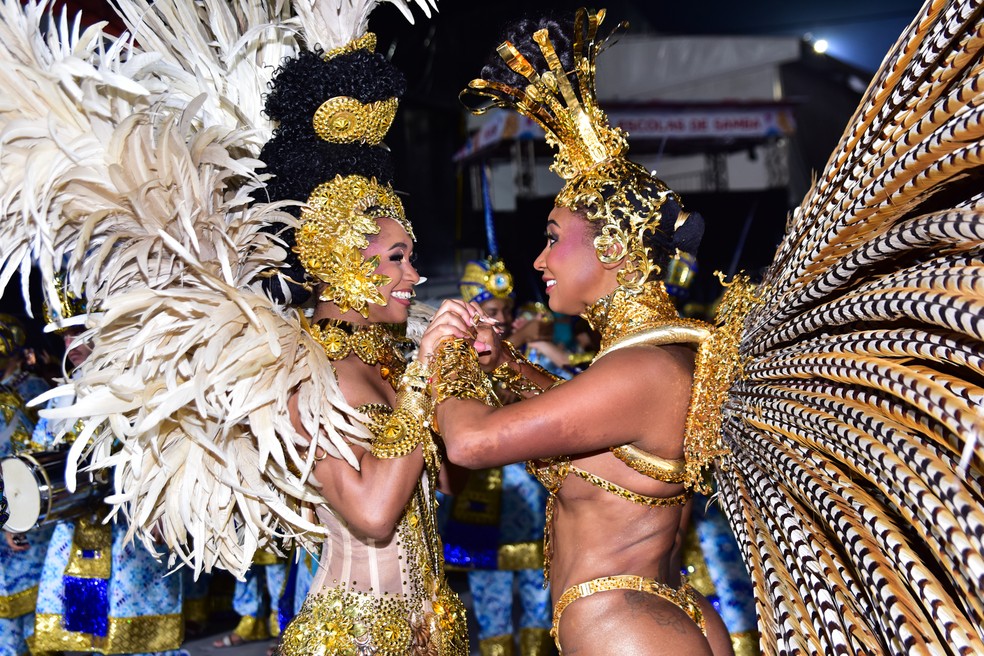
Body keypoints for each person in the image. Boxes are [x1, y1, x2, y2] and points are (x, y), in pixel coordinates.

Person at [417, 11, 733, 656]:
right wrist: (505, 364)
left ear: (612, 248)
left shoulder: (644, 369)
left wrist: (444, 359)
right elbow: (586, 420)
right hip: (644, 613)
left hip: (625, 627)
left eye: (554, 238)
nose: (540, 260)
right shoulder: (652, 355)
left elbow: (472, 444)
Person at [253, 18, 468, 656]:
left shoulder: (383, 363)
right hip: (357, 636)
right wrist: (424, 378)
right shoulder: (318, 374)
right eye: (397, 258)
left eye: (411, 257)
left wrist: (459, 377)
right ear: (343, 263)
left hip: (427, 630)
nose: (414, 275)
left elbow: (444, 490)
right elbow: (373, 514)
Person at [30, 308, 184, 656]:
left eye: (78, 331)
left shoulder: (140, 386)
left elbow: (169, 451)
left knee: (137, 638)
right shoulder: (63, 394)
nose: (70, 344)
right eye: (65, 336)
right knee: (80, 633)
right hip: (75, 528)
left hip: (132, 526)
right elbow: (37, 458)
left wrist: (164, 509)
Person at [444, 257, 554, 656]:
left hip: (531, 500)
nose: (503, 319)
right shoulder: (455, 356)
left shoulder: (531, 355)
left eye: (506, 311)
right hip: (483, 497)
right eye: (493, 310)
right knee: (491, 606)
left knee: (540, 602)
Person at [0, 314, 52, 656]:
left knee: (33, 596)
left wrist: (11, 518)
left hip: (26, 508)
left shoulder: (34, 390)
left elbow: (38, 457)